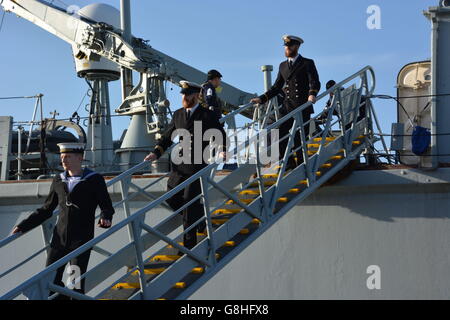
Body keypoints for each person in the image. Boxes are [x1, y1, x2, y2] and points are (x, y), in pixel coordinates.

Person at [11, 143, 114, 299]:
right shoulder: (58, 180)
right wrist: (24, 225)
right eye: (61, 157)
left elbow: (106, 205)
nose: (63, 160)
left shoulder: (94, 179)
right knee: (50, 280)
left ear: (80, 158)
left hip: (80, 241)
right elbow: (46, 209)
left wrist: (105, 217)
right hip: (59, 240)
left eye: (67, 157)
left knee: (76, 283)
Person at [144, 81, 228, 251]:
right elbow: (167, 137)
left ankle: (189, 247)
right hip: (179, 164)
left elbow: (220, 134)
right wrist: (156, 153)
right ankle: (200, 220)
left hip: (197, 164)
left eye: (187, 94)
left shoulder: (207, 115)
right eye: (183, 94)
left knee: (190, 202)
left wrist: (222, 150)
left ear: (196, 96)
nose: (184, 97)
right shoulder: (178, 115)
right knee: (171, 197)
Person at [251, 35, 321, 170]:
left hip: (303, 106)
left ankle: (301, 164)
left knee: (300, 136)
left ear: (296, 47)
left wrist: (312, 94)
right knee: (279, 131)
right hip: (288, 106)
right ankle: (287, 161)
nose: (287, 48)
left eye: (289, 46)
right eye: (285, 46)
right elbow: (277, 87)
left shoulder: (307, 63)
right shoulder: (283, 65)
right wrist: (262, 98)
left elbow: (315, 81)